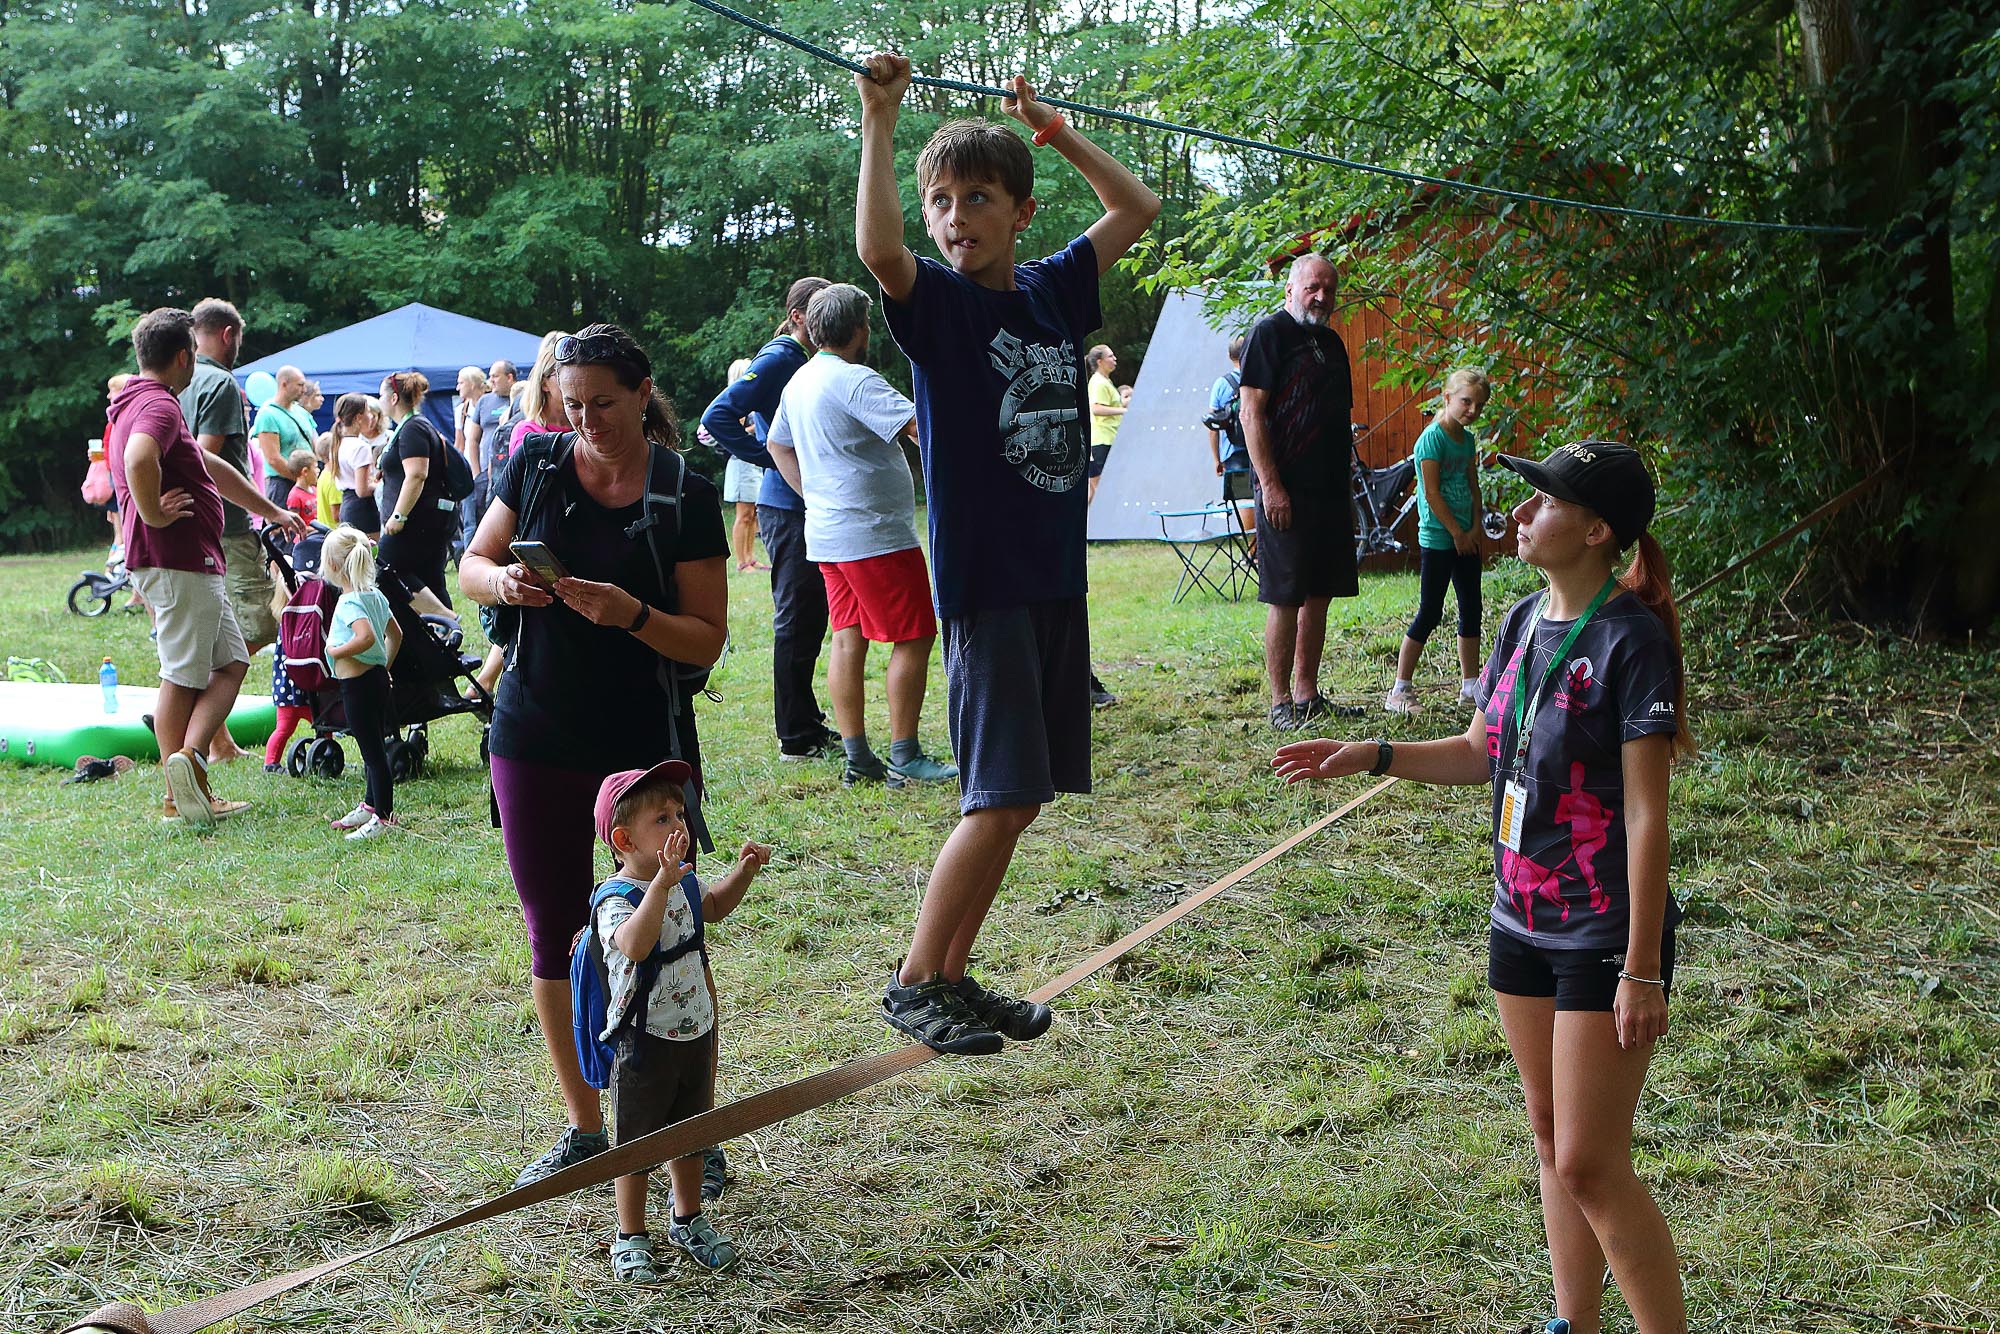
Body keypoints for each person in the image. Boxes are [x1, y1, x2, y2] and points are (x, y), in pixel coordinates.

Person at [1274, 440, 1689, 1334]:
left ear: (1597, 529)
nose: (1520, 512)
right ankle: (1573, 1321)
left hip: (1603, 933)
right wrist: (1373, 756)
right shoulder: (1516, 622)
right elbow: (1477, 752)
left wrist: (1644, 966)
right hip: (1518, 919)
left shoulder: (1631, 641)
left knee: (1589, 1163)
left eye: (1543, 502)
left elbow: (1649, 817)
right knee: (1548, 1137)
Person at [855, 52, 1160, 1054]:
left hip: (1050, 581)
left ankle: (950, 972)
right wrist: (880, 120)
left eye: (976, 198)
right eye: (940, 202)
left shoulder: (1049, 291)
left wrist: (1056, 131)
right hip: (985, 585)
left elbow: (1135, 204)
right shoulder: (938, 309)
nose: (953, 218)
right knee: (995, 797)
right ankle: (913, 979)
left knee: (1019, 800)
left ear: (1018, 210)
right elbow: (878, 251)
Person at [458, 323, 728, 1188]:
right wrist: (502, 583)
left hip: (641, 746)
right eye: (571, 407)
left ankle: (683, 1128)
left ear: (644, 392)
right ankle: (587, 1127)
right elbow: (471, 563)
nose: (588, 423)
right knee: (557, 934)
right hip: (534, 732)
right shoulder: (535, 466)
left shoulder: (684, 491)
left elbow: (707, 641)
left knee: (667, 931)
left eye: (604, 405)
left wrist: (633, 615)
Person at [106, 308, 306, 827]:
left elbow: (209, 465)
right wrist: (152, 512)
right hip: (177, 561)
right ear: (182, 356)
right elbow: (136, 457)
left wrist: (271, 510)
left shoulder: (145, 401)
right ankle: (180, 795)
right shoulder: (156, 406)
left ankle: (189, 762)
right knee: (181, 675)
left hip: (191, 561)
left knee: (232, 662)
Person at [764, 283, 958, 789]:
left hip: (828, 534)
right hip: (875, 537)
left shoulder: (800, 381)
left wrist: (812, 493)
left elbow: (776, 443)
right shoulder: (855, 380)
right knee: (914, 635)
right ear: (857, 329)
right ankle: (906, 754)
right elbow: (925, 427)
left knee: (848, 637)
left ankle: (859, 758)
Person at [590, 759, 768, 1280]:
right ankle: (631, 1234)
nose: (680, 825)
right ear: (624, 839)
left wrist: (744, 873)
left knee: (692, 1131)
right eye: (662, 819)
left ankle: (687, 1217)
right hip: (644, 1038)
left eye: (679, 813)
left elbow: (712, 906)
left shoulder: (684, 881)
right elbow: (635, 945)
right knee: (638, 1141)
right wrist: (660, 886)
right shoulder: (616, 900)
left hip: (695, 1028)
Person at [700, 277, 840, 763]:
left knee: (812, 616)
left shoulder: (804, 360)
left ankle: (806, 723)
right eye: (819, 311)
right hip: (785, 506)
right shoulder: (780, 357)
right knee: (797, 615)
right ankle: (795, 737)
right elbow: (717, 416)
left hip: (806, 503)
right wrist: (769, 458)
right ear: (800, 316)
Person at [1242, 253, 1359, 732]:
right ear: (1290, 289)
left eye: (1329, 289)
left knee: (1320, 594)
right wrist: (1270, 485)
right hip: (1285, 489)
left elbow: (1339, 418)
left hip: (1330, 489)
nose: (1321, 297)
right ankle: (1280, 702)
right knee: (1286, 595)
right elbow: (1251, 414)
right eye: (1313, 287)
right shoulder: (1268, 334)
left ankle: (1308, 695)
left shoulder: (1331, 342)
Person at [180, 299, 275, 759]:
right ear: (228, 334)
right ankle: (197, 711)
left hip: (189, 525)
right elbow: (205, 458)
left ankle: (218, 740)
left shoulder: (177, 381)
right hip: (227, 523)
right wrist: (270, 510)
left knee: (217, 628)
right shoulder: (219, 383)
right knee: (259, 623)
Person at [1387, 368, 1492, 714]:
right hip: (1439, 539)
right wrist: (1457, 533)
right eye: (1466, 401)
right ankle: (1400, 688)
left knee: (1471, 608)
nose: (1472, 410)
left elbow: (1473, 485)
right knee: (1430, 611)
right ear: (1446, 398)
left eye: (1479, 405)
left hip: (1466, 538)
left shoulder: (1467, 440)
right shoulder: (1431, 440)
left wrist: (1475, 526)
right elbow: (1430, 494)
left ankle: (1470, 686)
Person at [320, 525, 404, 840]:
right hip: (376, 680)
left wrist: (335, 649)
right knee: (372, 746)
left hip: (357, 686)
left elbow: (366, 636)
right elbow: (395, 634)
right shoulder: (375, 596)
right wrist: (385, 664)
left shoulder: (349, 602)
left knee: (372, 752)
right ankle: (371, 805)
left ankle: (383, 817)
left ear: (333, 567)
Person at [377, 371, 457, 605]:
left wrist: (399, 516)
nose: (379, 399)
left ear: (393, 398)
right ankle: (442, 635)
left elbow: (417, 474)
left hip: (416, 519)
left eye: (381, 395)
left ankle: (445, 620)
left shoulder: (412, 429)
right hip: (428, 518)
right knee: (431, 579)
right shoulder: (416, 426)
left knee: (385, 567)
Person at [715, 357, 769, 573]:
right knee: (743, 514)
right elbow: (731, 434)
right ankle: (741, 562)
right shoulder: (735, 406)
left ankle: (751, 558)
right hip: (740, 464)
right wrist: (755, 429)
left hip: (751, 464)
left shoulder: (748, 404)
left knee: (753, 514)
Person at [1205, 334, 1255, 529]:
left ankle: (1251, 553)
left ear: (1229, 356)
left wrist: (1217, 459)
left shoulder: (1221, 384)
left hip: (1233, 451)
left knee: (1244, 499)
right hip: (1260, 446)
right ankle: (1261, 550)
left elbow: (1212, 426)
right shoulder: (1259, 378)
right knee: (1263, 494)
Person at [252, 366, 315, 507]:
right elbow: (273, 459)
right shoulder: (267, 414)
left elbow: (313, 445)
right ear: (284, 384)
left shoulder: (301, 412)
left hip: (307, 483)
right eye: (300, 385)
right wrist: (302, 480)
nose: (304, 390)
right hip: (282, 485)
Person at [333, 394, 381, 535]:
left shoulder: (338, 443)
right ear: (358, 418)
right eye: (368, 412)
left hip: (347, 506)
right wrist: (381, 485)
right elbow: (362, 490)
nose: (371, 416)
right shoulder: (361, 447)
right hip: (363, 510)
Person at [1084, 343, 1124, 503]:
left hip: (1109, 438)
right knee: (1101, 491)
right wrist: (1124, 411)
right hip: (1101, 440)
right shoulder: (1098, 382)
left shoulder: (1106, 381)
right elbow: (1096, 408)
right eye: (1110, 356)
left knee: (1095, 492)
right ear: (1099, 361)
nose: (1114, 359)